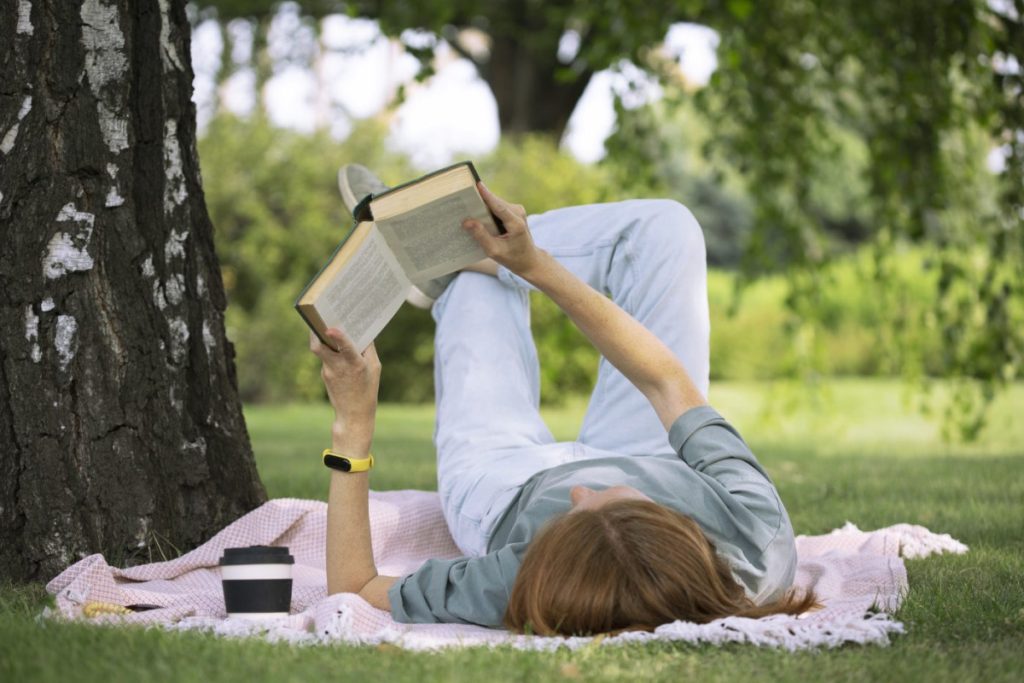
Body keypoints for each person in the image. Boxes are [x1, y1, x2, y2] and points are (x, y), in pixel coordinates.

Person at [310, 166, 817, 636]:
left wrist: (353, 422)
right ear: (677, 522)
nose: (579, 491)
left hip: (504, 487)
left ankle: (455, 264)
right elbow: (665, 381)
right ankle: (474, 252)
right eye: (606, 497)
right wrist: (537, 267)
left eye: (574, 517)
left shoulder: (527, 574)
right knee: (668, 228)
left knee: (472, 290)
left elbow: (355, 589)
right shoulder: (758, 539)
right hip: (650, 451)